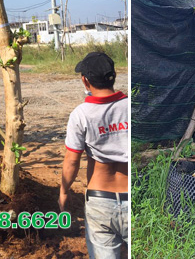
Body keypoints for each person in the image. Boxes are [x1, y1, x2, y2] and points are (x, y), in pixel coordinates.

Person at [59, 52, 128, 259]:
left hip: (100, 202)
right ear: (113, 75)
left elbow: (72, 160)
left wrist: (64, 191)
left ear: (85, 81)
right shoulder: (129, 106)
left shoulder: (81, 114)